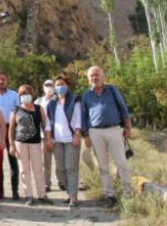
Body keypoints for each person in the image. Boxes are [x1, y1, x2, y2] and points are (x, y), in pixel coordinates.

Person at [81, 66, 133, 207]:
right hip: (95, 133)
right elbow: (84, 116)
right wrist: (86, 134)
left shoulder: (111, 89)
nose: (94, 78)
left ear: (102, 75)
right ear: (88, 79)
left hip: (114, 130)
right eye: (91, 76)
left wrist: (128, 127)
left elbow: (123, 108)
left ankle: (128, 193)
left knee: (121, 163)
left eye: (97, 74)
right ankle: (109, 195)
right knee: (103, 166)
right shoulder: (86, 95)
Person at [9, 85, 53, 206]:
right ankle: (29, 196)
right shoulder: (15, 110)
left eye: (28, 93)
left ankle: (42, 195)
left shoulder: (39, 108)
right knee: (24, 170)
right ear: (19, 96)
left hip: (36, 143)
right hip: (20, 143)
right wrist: (11, 145)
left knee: (38, 169)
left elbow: (45, 126)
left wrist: (48, 140)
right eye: (22, 93)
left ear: (32, 94)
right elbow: (11, 128)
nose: (25, 95)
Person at [46, 74, 82, 209]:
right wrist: (49, 138)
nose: (60, 87)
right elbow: (48, 123)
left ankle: (73, 197)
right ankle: (69, 193)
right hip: (57, 140)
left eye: (62, 84)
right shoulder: (52, 103)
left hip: (71, 139)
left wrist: (77, 135)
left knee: (71, 168)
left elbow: (78, 119)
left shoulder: (74, 100)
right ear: (54, 88)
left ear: (67, 86)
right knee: (61, 169)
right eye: (57, 85)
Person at [0, 72, 20, 200]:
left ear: (6, 81)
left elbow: (19, 113)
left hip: (12, 129)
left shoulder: (14, 95)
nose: (1, 81)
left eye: (3, 79)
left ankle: (15, 191)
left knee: (13, 162)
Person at [35, 79, 59, 192]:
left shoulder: (60, 99)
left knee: (60, 161)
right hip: (43, 135)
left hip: (58, 135)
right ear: (43, 87)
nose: (49, 86)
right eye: (47, 85)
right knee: (45, 161)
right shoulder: (38, 101)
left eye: (51, 84)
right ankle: (46, 183)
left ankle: (62, 182)